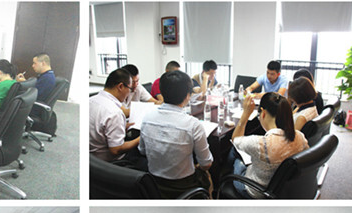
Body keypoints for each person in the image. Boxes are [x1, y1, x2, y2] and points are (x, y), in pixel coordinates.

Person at [139, 70, 213, 198]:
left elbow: (142, 151)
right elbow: (206, 164)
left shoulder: (146, 119)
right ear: (188, 96)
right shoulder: (193, 125)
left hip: (153, 183)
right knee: (208, 176)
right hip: (184, 185)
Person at [230, 93, 309, 198]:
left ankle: (221, 183)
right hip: (283, 190)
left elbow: (235, 140)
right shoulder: (300, 136)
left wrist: (245, 114)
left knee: (235, 156)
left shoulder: (261, 144)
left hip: (255, 190)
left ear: (263, 113)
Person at [89, 68, 140, 162]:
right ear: (120, 86)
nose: (129, 93)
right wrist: (141, 138)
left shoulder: (91, 100)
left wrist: (121, 126)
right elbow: (116, 150)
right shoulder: (114, 112)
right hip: (109, 163)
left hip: (92, 159)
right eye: (129, 89)